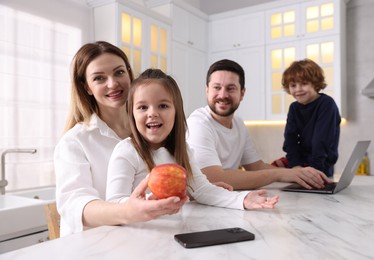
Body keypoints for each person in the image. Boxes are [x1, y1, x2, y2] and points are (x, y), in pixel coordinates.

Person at [54, 41, 186, 237]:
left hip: (141, 239)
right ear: (87, 87)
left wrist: (195, 189)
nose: (112, 83)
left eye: (119, 72)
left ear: (129, 75)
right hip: (94, 246)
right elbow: (74, 205)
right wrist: (129, 212)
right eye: (99, 78)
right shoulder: (74, 141)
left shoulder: (151, 129)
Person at [105, 68, 279, 212]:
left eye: (163, 106)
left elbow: (203, 189)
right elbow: (113, 204)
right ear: (132, 114)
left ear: (176, 112)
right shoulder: (126, 151)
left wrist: (243, 199)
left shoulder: (183, 151)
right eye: (143, 107)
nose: (152, 113)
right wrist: (143, 205)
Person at [186, 59, 332, 190]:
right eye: (216, 87)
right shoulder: (198, 123)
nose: (223, 95)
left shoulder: (238, 123)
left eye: (231, 88)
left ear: (242, 93)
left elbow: (256, 167)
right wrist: (279, 175)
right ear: (207, 90)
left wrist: (295, 173)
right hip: (197, 207)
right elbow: (213, 178)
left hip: (225, 200)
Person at [276, 58, 341, 177]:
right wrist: (295, 166)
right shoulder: (294, 108)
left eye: (304, 83)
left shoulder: (326, 104)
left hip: (320, 164)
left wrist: (315, 171)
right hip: (299, 162)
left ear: (315, 83)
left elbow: (321, 141)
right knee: (270, 171)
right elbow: (290, 139)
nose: (298, 89)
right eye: (293, 85)